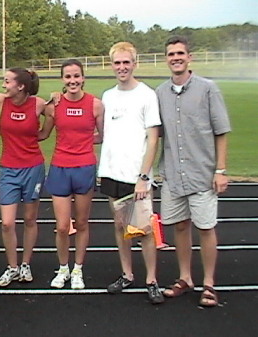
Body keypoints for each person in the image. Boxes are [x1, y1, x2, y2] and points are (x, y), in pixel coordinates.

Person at [156, 36, 231, 307]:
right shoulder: (160, 92)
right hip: (174, 175)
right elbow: (155, 133)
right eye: (170, 54)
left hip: (202, 174)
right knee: (179, 226)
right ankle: (185, 277)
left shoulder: (208, 89)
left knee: (206, 227)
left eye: (180, 53)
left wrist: (220, 170)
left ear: (189, 57)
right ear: (166, 59)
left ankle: (209, 283)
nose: (175, 57)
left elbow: (221, 131)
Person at [98, 42, 164, 304]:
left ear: (134, 63)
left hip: (137, 177)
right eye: (117, 63)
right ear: (112, 65)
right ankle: (127, 274)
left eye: (127, 62)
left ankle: (152, 280)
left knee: (144, 229)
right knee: (121, 226)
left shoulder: (147, 95)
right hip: (112, 173)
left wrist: (144, 177)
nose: (122, 67)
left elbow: (153, 139)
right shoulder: (108, 96)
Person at [0, 68, 46, 287]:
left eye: (7, 81)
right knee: (7, 223)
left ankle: (25, 264)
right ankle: (12, 267)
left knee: (29, 219)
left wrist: (44, 132)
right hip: (8, 169)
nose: (4, 85)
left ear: (21, 86)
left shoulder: (38, 104)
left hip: (33, 167)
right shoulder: (1, 101)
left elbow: (53, 116)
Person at [39, 59, 104, 289]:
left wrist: (83, 143)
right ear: (62, 80)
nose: (73, 81)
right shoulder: (54, 105)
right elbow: (42, 132)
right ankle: (63, 268)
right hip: (60, 168)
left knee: (83, 222)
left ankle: (78, 269)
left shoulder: (95, 105)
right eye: (68, 77)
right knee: (63, 226)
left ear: (83, 78)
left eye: (76, 76)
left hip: (85, 167)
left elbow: (102, 136)